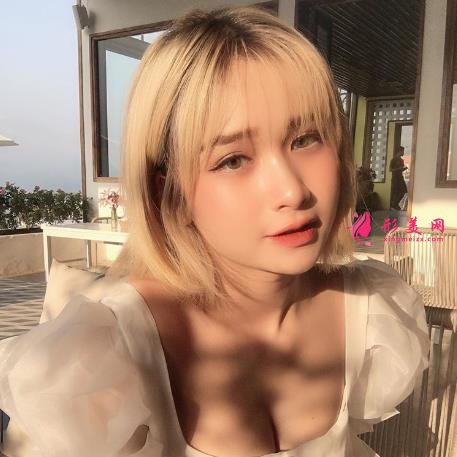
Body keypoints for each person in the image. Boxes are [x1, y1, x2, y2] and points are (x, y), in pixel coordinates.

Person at [0, 6, 429, 457]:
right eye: (233, 160)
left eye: (304, 139)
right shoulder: (113, 354)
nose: (292, 190)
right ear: (171, 193)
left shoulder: (369, 311)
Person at [389, 146, 408, 211]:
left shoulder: (402, 160)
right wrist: (398, 169)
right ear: (399, 151)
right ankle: (393, 206)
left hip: (400, 178)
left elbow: (401, 170)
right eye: (402, 151)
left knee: (404, 191)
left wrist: (404, 169)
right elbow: (390, 169)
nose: (403, 153)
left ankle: (395, 205)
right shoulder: (393, 160)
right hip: (395, 178)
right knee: (396, 192)